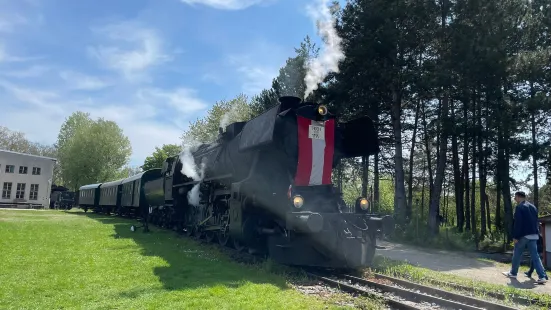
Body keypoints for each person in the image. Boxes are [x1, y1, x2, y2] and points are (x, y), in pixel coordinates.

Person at [502, 191, 548, 284]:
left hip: (523, 235)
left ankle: (513, 273)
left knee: (517, 254)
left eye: (515, 197)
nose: (515, 199)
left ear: (519, 197)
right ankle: (542, 276)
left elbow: (518, 223)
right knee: (535, 256)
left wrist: (515, 236)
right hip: (534, 235)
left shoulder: (519, 207)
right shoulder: (533, 207)